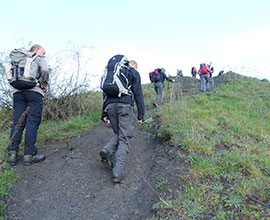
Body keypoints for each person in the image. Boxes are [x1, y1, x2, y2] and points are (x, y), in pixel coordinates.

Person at [100, 60, 145, 183]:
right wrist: (141, 115)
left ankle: (107, 149)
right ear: (135, 66)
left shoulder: (112, 73)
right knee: (125, 138)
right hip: (124, 106)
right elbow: (138, 94)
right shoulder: (133, 72)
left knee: (117, 133)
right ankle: (117, 172)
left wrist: (104, 113)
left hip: (110, 106)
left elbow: (105, 94)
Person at [8, 44, 49, 166]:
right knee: (32, 122)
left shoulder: (18, 59)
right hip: (34, 92)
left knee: (17, 123)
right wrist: (44, 84)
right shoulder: (37, 58)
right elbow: (45, 70)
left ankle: (12, 155)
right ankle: (28, 155)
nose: (44, 55)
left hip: (17, 94)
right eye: (43, 52)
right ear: (36, 50)